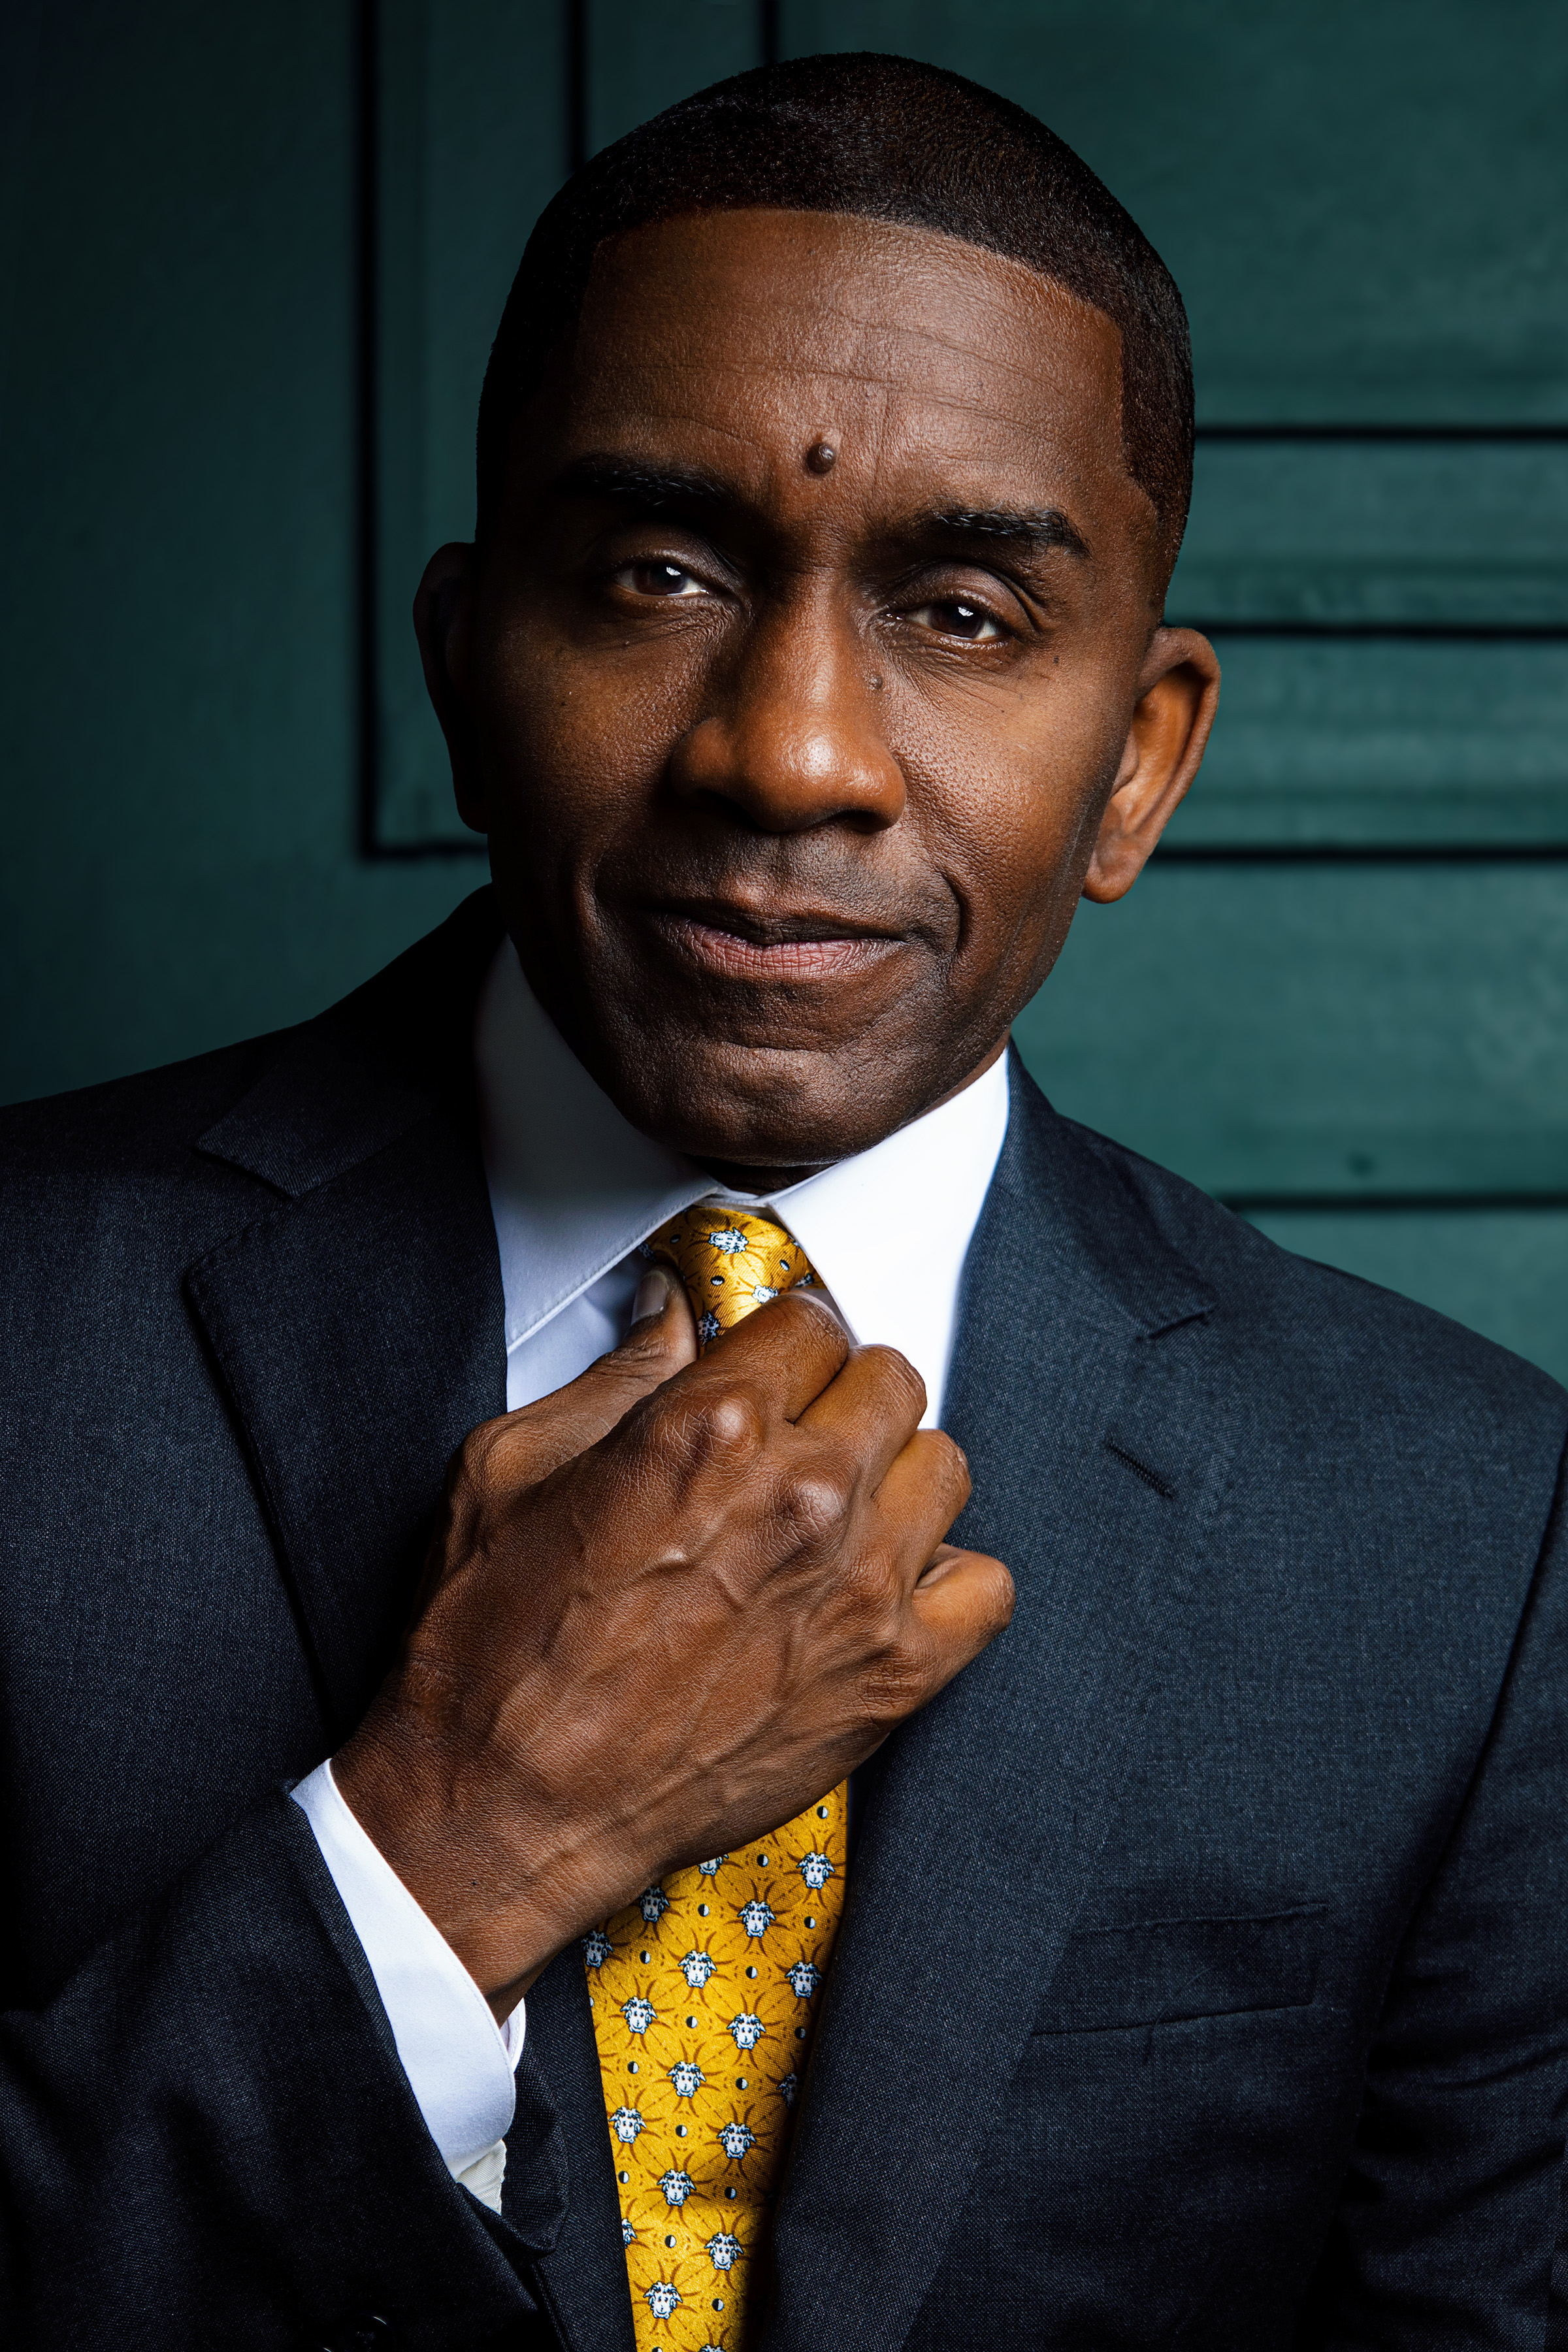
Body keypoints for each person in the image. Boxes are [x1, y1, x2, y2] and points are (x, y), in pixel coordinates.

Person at [1, 51, 1565, 2352]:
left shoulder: (1473, 1530)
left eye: (965, 614)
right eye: (660, 573)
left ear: (1139, 762)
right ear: (462, 666)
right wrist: (459, 1846)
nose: (793, 753)